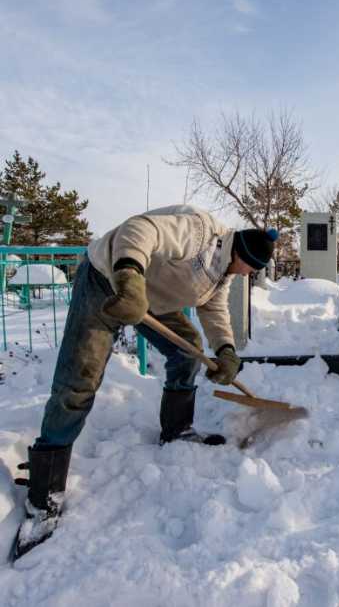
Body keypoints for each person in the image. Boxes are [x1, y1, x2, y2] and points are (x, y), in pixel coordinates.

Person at [13, 205, 277, 559]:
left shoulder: (224, 270)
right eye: (252, 269)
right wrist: (130, 279)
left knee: (187, 353)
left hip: (147, 298)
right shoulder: (199, 232)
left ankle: (177, 428)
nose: (249, 276)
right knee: (78, 382)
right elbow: (139, 229)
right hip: (107, 281)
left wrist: (226, 350)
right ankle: (42, 500)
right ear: (244, 256)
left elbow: (212, 308)